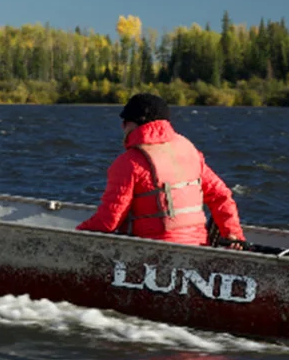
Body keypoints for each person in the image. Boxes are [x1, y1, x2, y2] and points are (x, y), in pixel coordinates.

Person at [76, 93, 245, 247]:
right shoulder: (189, 151)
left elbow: (109, 221)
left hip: (153, 251)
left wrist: (77, 235)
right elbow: (221, 195)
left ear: (135, 124)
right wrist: (233, 235)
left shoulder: (128, 163)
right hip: (200, 246)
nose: (123, 127)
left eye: (125, 122)